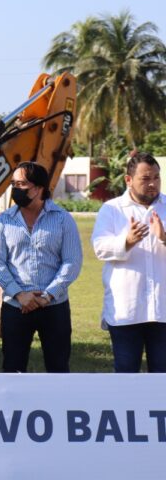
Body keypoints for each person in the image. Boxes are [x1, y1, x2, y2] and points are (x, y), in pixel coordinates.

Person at [0, 162, 82, 372]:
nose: (15, 189)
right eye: (13, 183)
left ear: (39, 188)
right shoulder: (3, 221)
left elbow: (72, 262)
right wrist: (20, 295)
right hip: (15, 306)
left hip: (54, 306)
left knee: (58, 368)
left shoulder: (63, 219)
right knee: (13, 368)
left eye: (21, 184)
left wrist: (48, 295)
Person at [91, 152, 166, 373]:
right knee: (126, 376)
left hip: (163, 310)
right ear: (128, 180)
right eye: (145, 178)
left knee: (162, 378)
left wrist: (164, 237)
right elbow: (100, 248)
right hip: (127, 311)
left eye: (156, 177)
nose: (152, 184)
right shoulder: (112, 209)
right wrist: (127, 241)